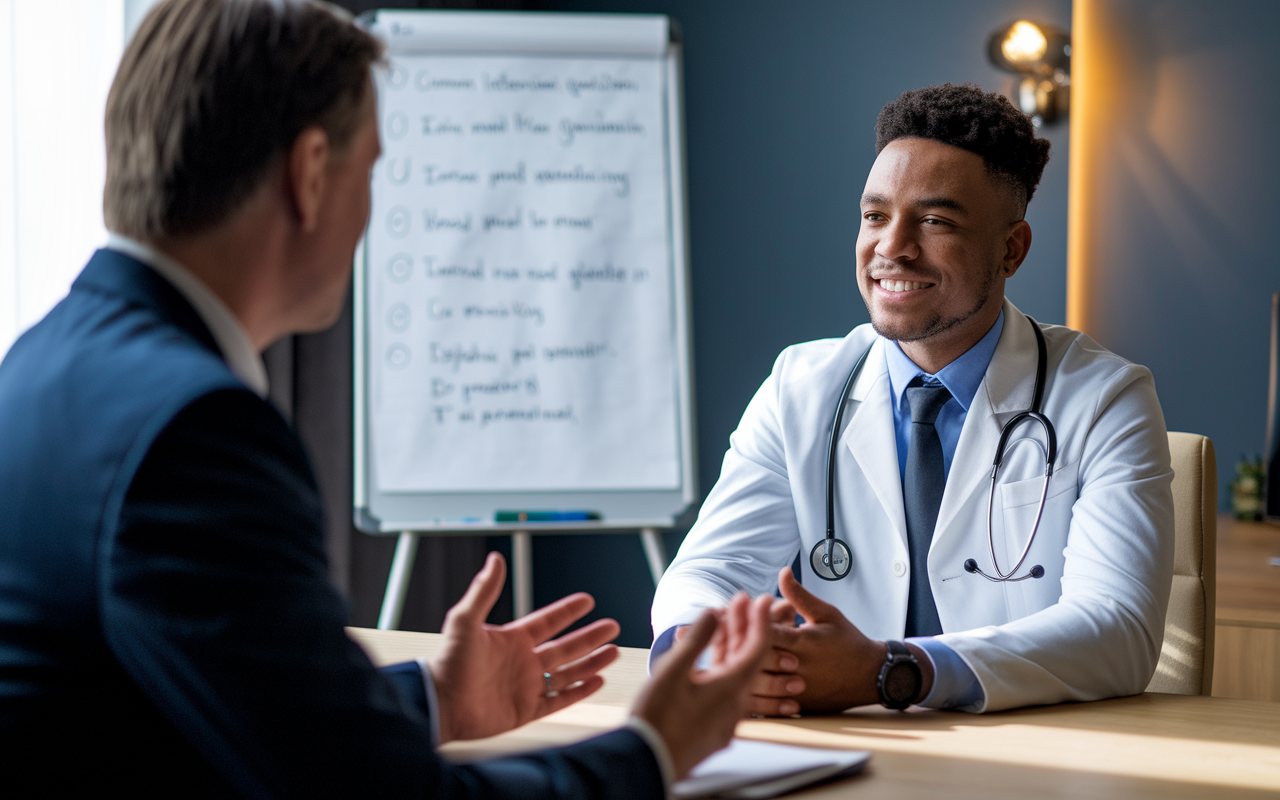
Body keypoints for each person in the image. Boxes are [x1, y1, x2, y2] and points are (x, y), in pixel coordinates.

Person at [0, 0, 773, 796]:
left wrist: (435, 698)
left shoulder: (40, 363)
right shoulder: (194, 430)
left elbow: (187, 710)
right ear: (307, 174)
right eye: (371, 168)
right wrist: (653, 748)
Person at [651, 83, 1175, 715]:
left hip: (1026, 750)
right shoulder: (801, 385)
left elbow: (1118, 629)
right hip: (848, 748)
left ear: (1012, 249)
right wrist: (712, 652)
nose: (891, 247)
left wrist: (895, 671)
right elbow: (709, 573)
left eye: (934, 221)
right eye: (875, 215)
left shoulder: (1103, 398)